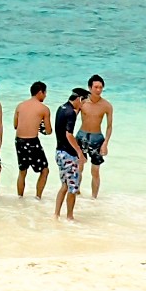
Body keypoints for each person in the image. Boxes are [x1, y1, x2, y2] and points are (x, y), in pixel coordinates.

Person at [53, 88, 88, 221]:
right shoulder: (71, 113)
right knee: (73, 188)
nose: (84, 105)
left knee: (64, 185)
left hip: (59, 152)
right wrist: (80, 152)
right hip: (68, 154)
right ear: (79, 99)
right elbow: (69, 134)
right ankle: (70, 217)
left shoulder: (61, 108)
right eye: (83, 102)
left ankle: (56, 214)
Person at [12, 81, 52, 198]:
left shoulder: (20, 106)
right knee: (44, 170)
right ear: (40, 92)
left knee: (22, 171)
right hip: (32, 142)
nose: (45, 96)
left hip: (19, 141)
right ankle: (38, 197)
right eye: (45, 93)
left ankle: (20, 197)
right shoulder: (44, 109)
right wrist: (40, 127)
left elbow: (15, 126)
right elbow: (49, 131)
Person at [79, 74, 113, 197]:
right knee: (79, 167)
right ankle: (76, 193)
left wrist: (105, 143)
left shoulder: (106, 105)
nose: (98, 90)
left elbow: (109, 126)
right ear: (89, 88)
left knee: (95, 171)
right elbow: (71, 119)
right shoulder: (82, 102)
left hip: (97, 138)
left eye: (100, 87)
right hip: (81, 136)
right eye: (96, 87)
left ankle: (94, 198)